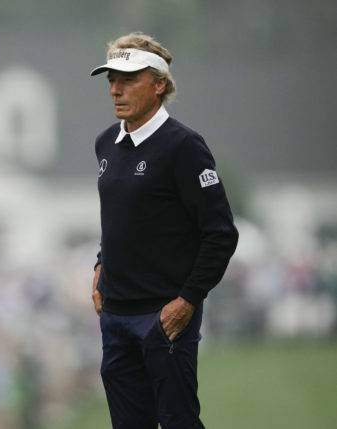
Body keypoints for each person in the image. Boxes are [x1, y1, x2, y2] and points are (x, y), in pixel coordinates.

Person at [89, 32, 239, 429]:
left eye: (128, 79)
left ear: (158, 85)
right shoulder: (106, 143)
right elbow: (123, 218)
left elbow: (221, 232)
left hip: (164, 315)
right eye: (111, 80)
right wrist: (101, 264)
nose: (115, 90)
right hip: (116, 315)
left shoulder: (183, 146)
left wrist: (188, 300)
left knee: (178, 423)